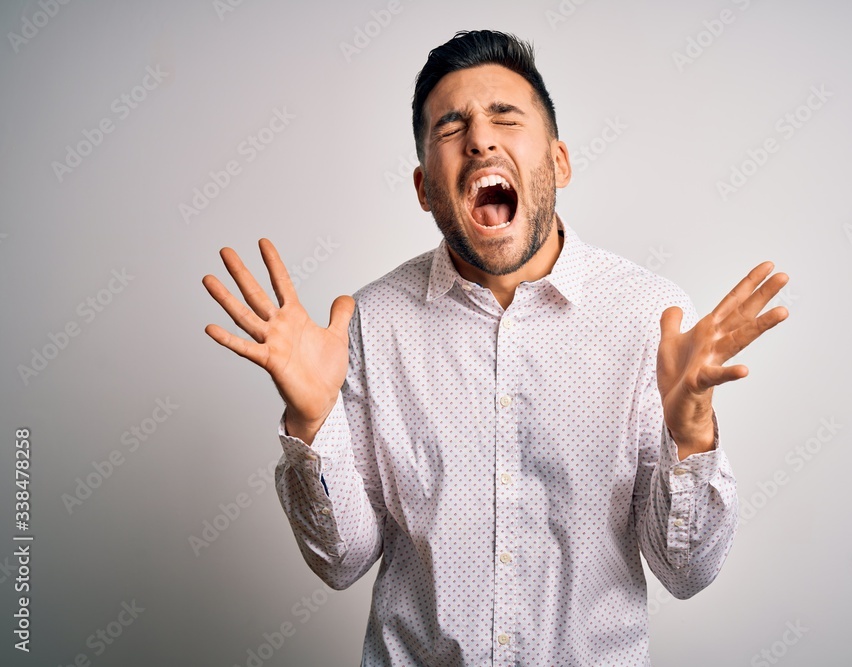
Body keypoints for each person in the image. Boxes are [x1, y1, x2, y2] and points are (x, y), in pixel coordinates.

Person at [202, 30, 788, 666]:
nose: (480, 138)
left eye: (505, 117)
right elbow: (342, 562)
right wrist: (312, 423)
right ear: (425, 188)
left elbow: (685, 571)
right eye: (452, 126)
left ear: (558, 162)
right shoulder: (372, 321)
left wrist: (692, 430)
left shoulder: (649, 316)